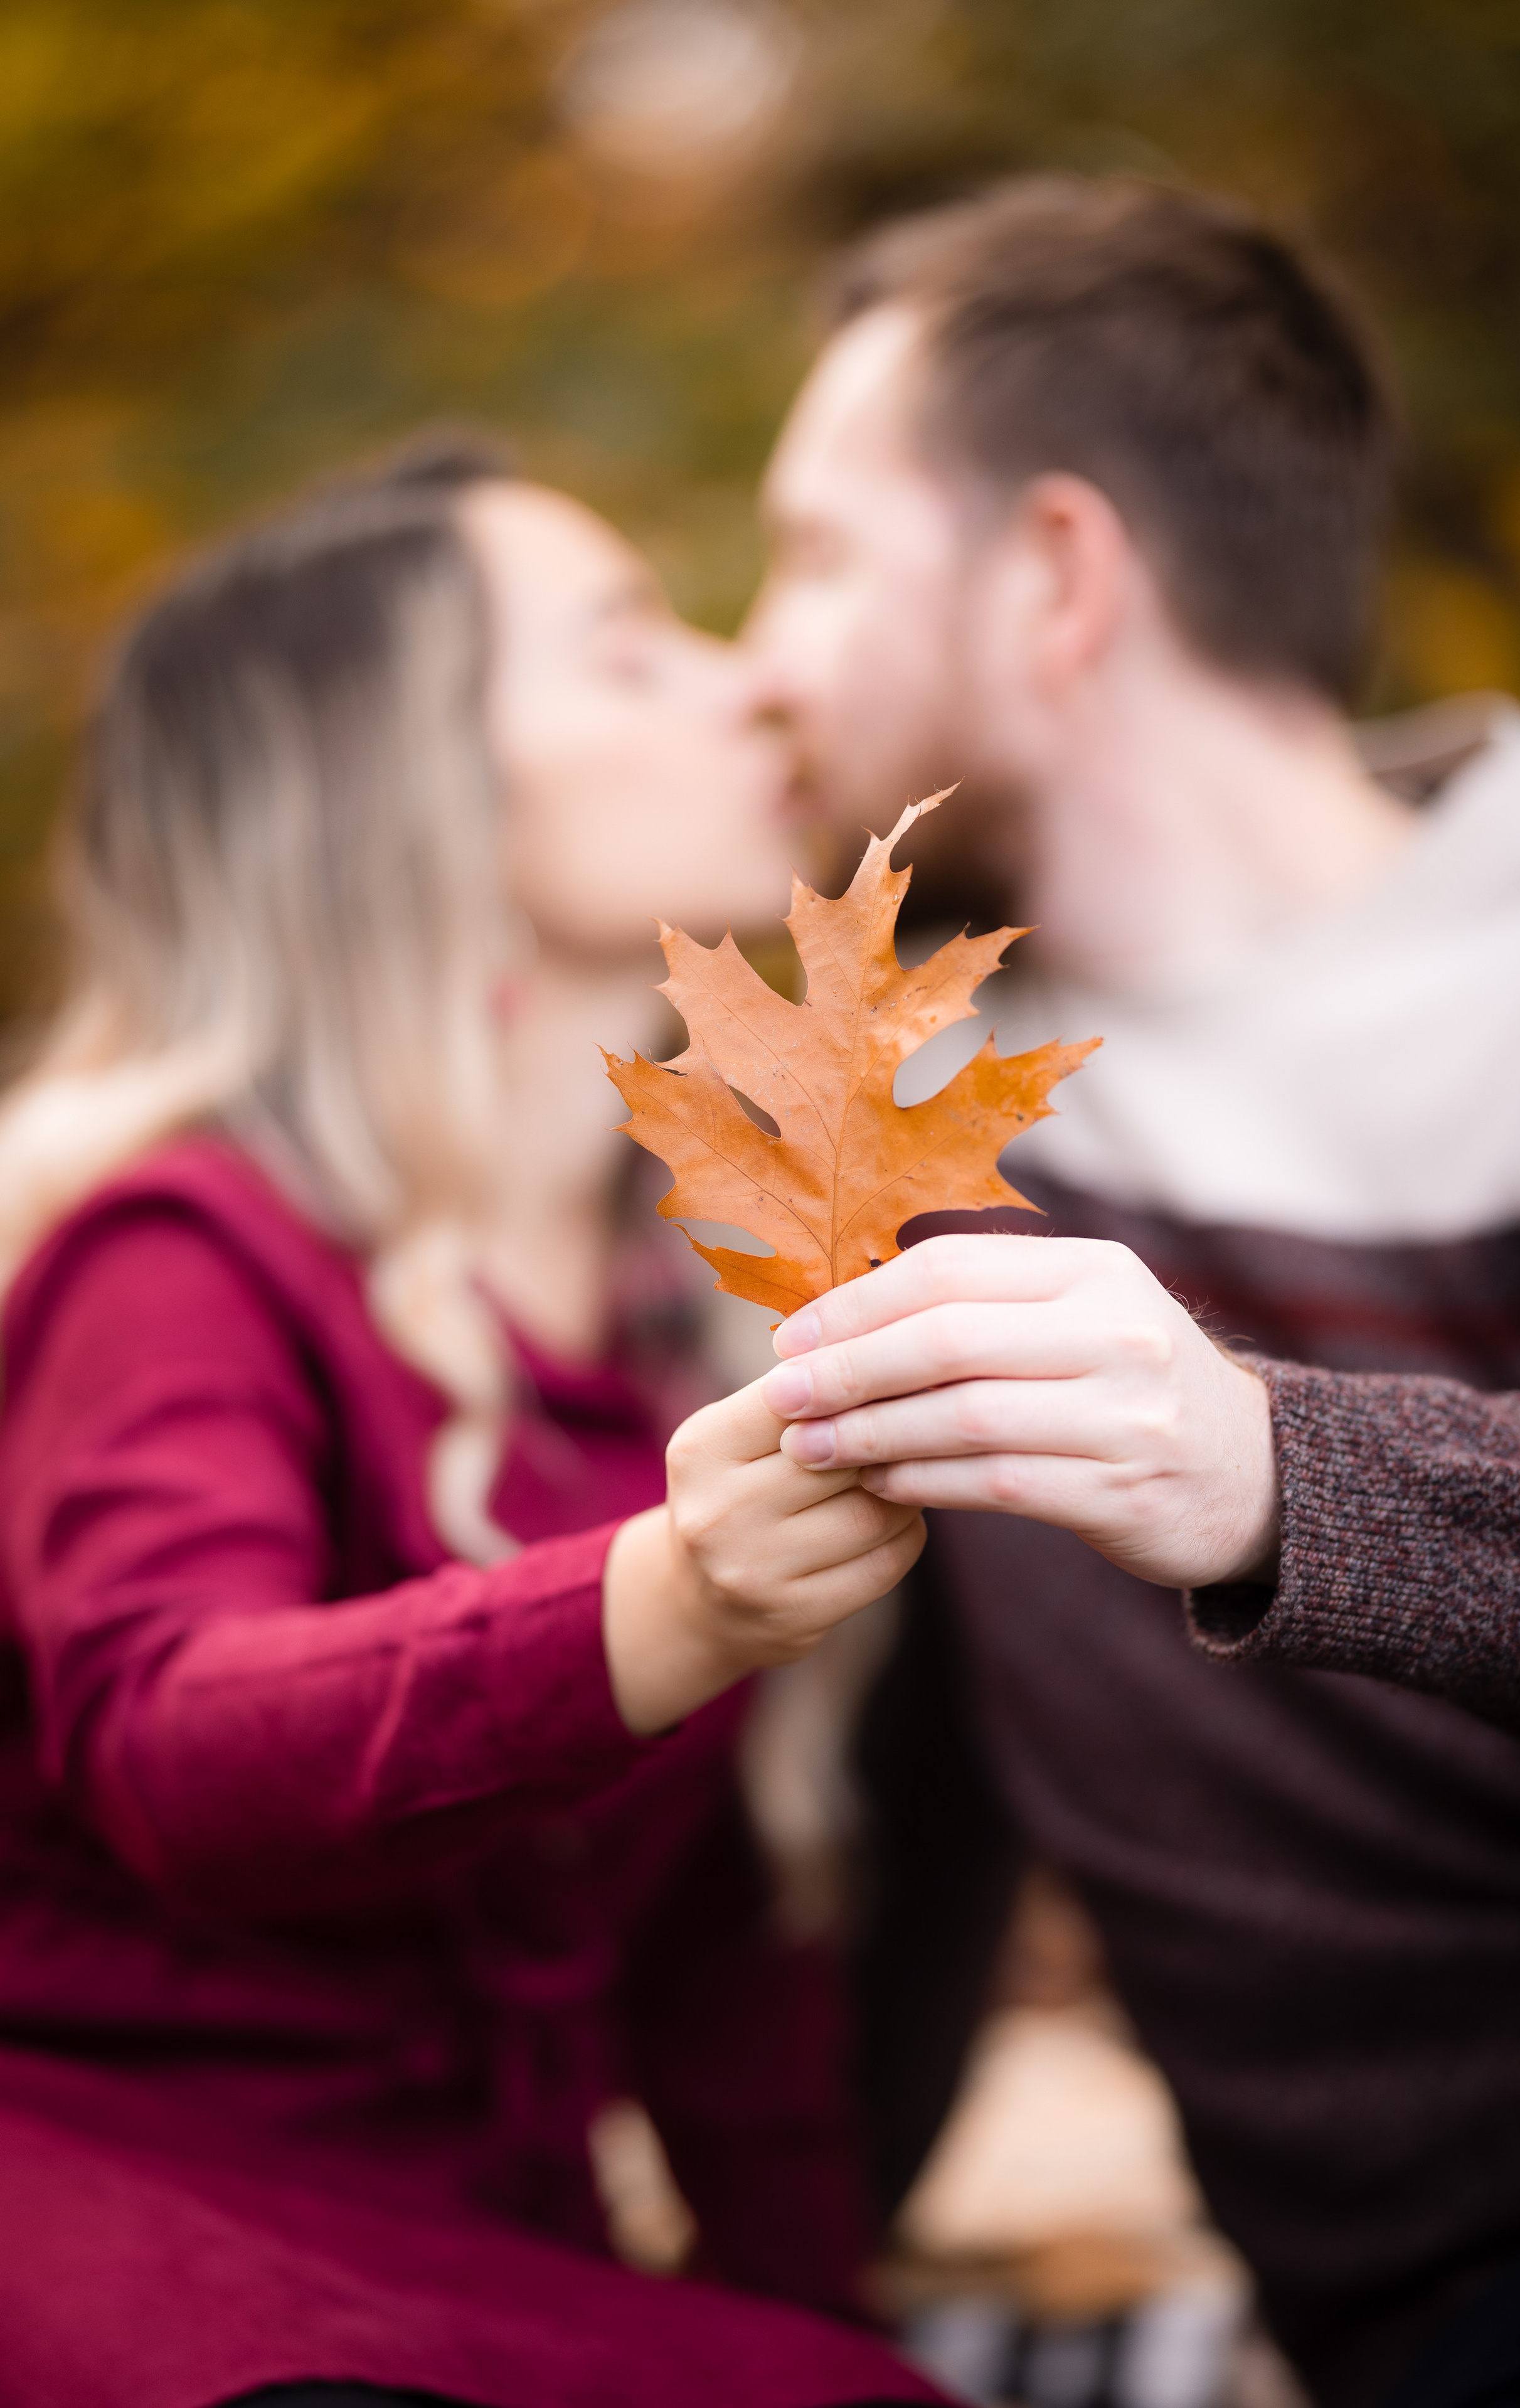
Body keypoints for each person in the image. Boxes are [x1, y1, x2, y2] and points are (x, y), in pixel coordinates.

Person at [742, 176, 1520, 2408]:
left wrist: (1277, 1469)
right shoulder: (910, 1115)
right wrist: (787, 2299)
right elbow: (949, 1776)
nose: (760, 660)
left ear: (1057, 575)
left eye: (817, 556)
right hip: (1408, 2328)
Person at [0, 455, 938, 2408]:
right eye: (627, 652)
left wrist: (831, 2330)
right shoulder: (182, 1247)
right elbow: (169, 1736)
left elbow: (716, 1956)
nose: (749, 684)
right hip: (129, 2216)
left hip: (479, 2250)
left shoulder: (683, 1303)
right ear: (406, 789)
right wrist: (666, 1601)